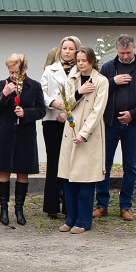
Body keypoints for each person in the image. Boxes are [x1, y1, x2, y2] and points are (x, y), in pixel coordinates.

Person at [95, 34, 136, 221]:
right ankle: (102, 204)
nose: (126, 56)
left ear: (135, 48)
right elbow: (99, 91)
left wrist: (134, 113)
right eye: (122, 53)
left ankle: (125, 205)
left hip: (133, 124)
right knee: (104, 165)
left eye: (129, 52)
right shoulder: (108, 67)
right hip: (111, 123)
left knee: (131, 166)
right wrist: (113, 81)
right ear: (117, 50)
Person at [0, 53, 46, 226]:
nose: (13, 75)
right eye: (11, 72)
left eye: (16, 72)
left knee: (23, 171)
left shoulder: (34, 86)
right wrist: (4, 94)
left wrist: (26, 113)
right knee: (3, 170)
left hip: (25, 135)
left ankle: (19, 209)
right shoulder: (1, 85)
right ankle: (3, 209)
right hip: (5, 133)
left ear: (24, 69)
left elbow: (41, 110)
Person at [57, 47, 108, 234]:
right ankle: (70, 218)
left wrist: (84, 133)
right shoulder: (72, 80)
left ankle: (84, 220)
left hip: (90, 136)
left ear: (92, 61)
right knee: (69, 177)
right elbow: (66, 104)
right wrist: (79, 91)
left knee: (86, 178)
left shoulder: (102, 81)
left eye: (84, 60)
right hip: (70, 131)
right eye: (78, 60)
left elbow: (98, 110)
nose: (80, 64)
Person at [40, 36, 81, 219]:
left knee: (70, 162)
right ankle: (51, 205)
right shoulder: (50, 69)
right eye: (64, 48)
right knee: (54, 162)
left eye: (71, 48)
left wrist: (68, 111)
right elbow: (41, 91)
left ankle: (68, 206)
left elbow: (81, 96)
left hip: (72, 120)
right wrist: (52, 102)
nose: (67, 51)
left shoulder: (80, 70)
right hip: (52, 119)